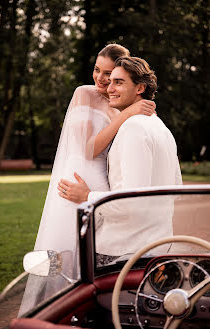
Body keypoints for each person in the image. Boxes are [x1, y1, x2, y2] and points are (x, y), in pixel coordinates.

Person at [18, 45, 156, 316]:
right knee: (70, 250)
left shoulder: (120, 101)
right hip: (81, 176)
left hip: (101, 180)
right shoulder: (85, 94)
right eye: (97, 70)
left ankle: (91, 310)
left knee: (96, 251)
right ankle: (58, 313)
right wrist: (127, 114)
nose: (101, 79)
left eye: (109, 73)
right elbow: (88, 149)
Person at [57, 56, 182, 264]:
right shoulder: (162, 128)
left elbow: (130, 203)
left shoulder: (133, 128)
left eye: (119, 82)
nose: (109, 89)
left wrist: (87, 195)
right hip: (159, 245)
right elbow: (175, 188)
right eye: (110, 81)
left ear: (140, 88)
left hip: (125, 250)